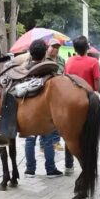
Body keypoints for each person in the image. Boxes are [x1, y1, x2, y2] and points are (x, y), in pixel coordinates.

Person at [24, 39, 63, 178]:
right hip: (44, 113)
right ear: (44, 52)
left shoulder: (24, 70)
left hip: (27, 113)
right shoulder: (50, 70)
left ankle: (30, 170)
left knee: (29, 140)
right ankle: (50, 170)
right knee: (47, 141)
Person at [63, 35, 100, 176]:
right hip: (88, 101)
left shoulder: (69, 61)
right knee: (89, 135)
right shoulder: (93, 62)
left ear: (74, 48)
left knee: (68, 133)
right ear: (87, 48)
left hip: (69, 102)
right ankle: (90, 167)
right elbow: (97, 86)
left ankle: (68, 166)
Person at [40, 39, 65, 152]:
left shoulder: (61, 60)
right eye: (53, 47)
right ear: (48, 47)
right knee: (44, 118)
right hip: (45, 92)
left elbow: (64, 73)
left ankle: (56, 141)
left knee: (57, 118)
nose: (55, 49)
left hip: (58, 92)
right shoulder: (42, 59)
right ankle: (42, 144)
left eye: (57, 48)